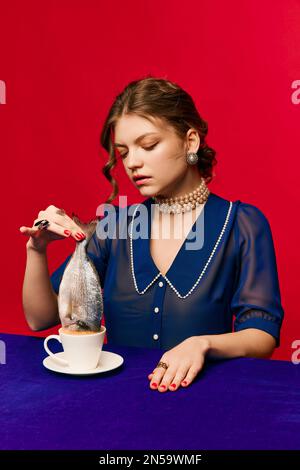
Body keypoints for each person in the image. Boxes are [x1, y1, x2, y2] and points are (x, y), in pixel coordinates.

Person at [20, 76, 284, 393]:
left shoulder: (242, 223)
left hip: (203, 405)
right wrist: (37, 249)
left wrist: (202, 345)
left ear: (190, 142)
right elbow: (41, 318)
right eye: (124, 152)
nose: (133, 163)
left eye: (148, 146)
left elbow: (262, 335)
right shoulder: (115, 227)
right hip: (116, 406)